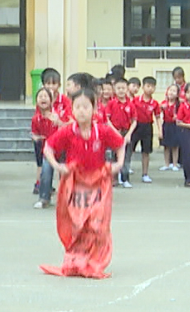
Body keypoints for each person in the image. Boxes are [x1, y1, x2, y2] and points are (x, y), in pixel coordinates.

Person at [40, 86, 126, 279]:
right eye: (77, 107)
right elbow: (48, 148)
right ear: (72, 110)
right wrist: (58, 166)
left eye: (86, 107)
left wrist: (119, 164)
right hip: (75, 183)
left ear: (94, 109)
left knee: (97, 224)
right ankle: (76, 260)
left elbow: (120, 144)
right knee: (77, 224)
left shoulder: (102, 131)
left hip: (98, 182)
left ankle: (95, 260)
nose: (81, 111)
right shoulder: (67, 132)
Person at [31, 87, 60, 208]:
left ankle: (68, 198)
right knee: (46, 173)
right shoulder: (35, 119)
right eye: (40, 96)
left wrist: (59, 122)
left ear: (51, 100)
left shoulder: (57, 115)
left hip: (62, 149)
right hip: (48, 150)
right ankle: (44, 198)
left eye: (46, 96)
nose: (43, 99)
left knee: (66, 175)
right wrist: (36, 137)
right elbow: (34, 133)